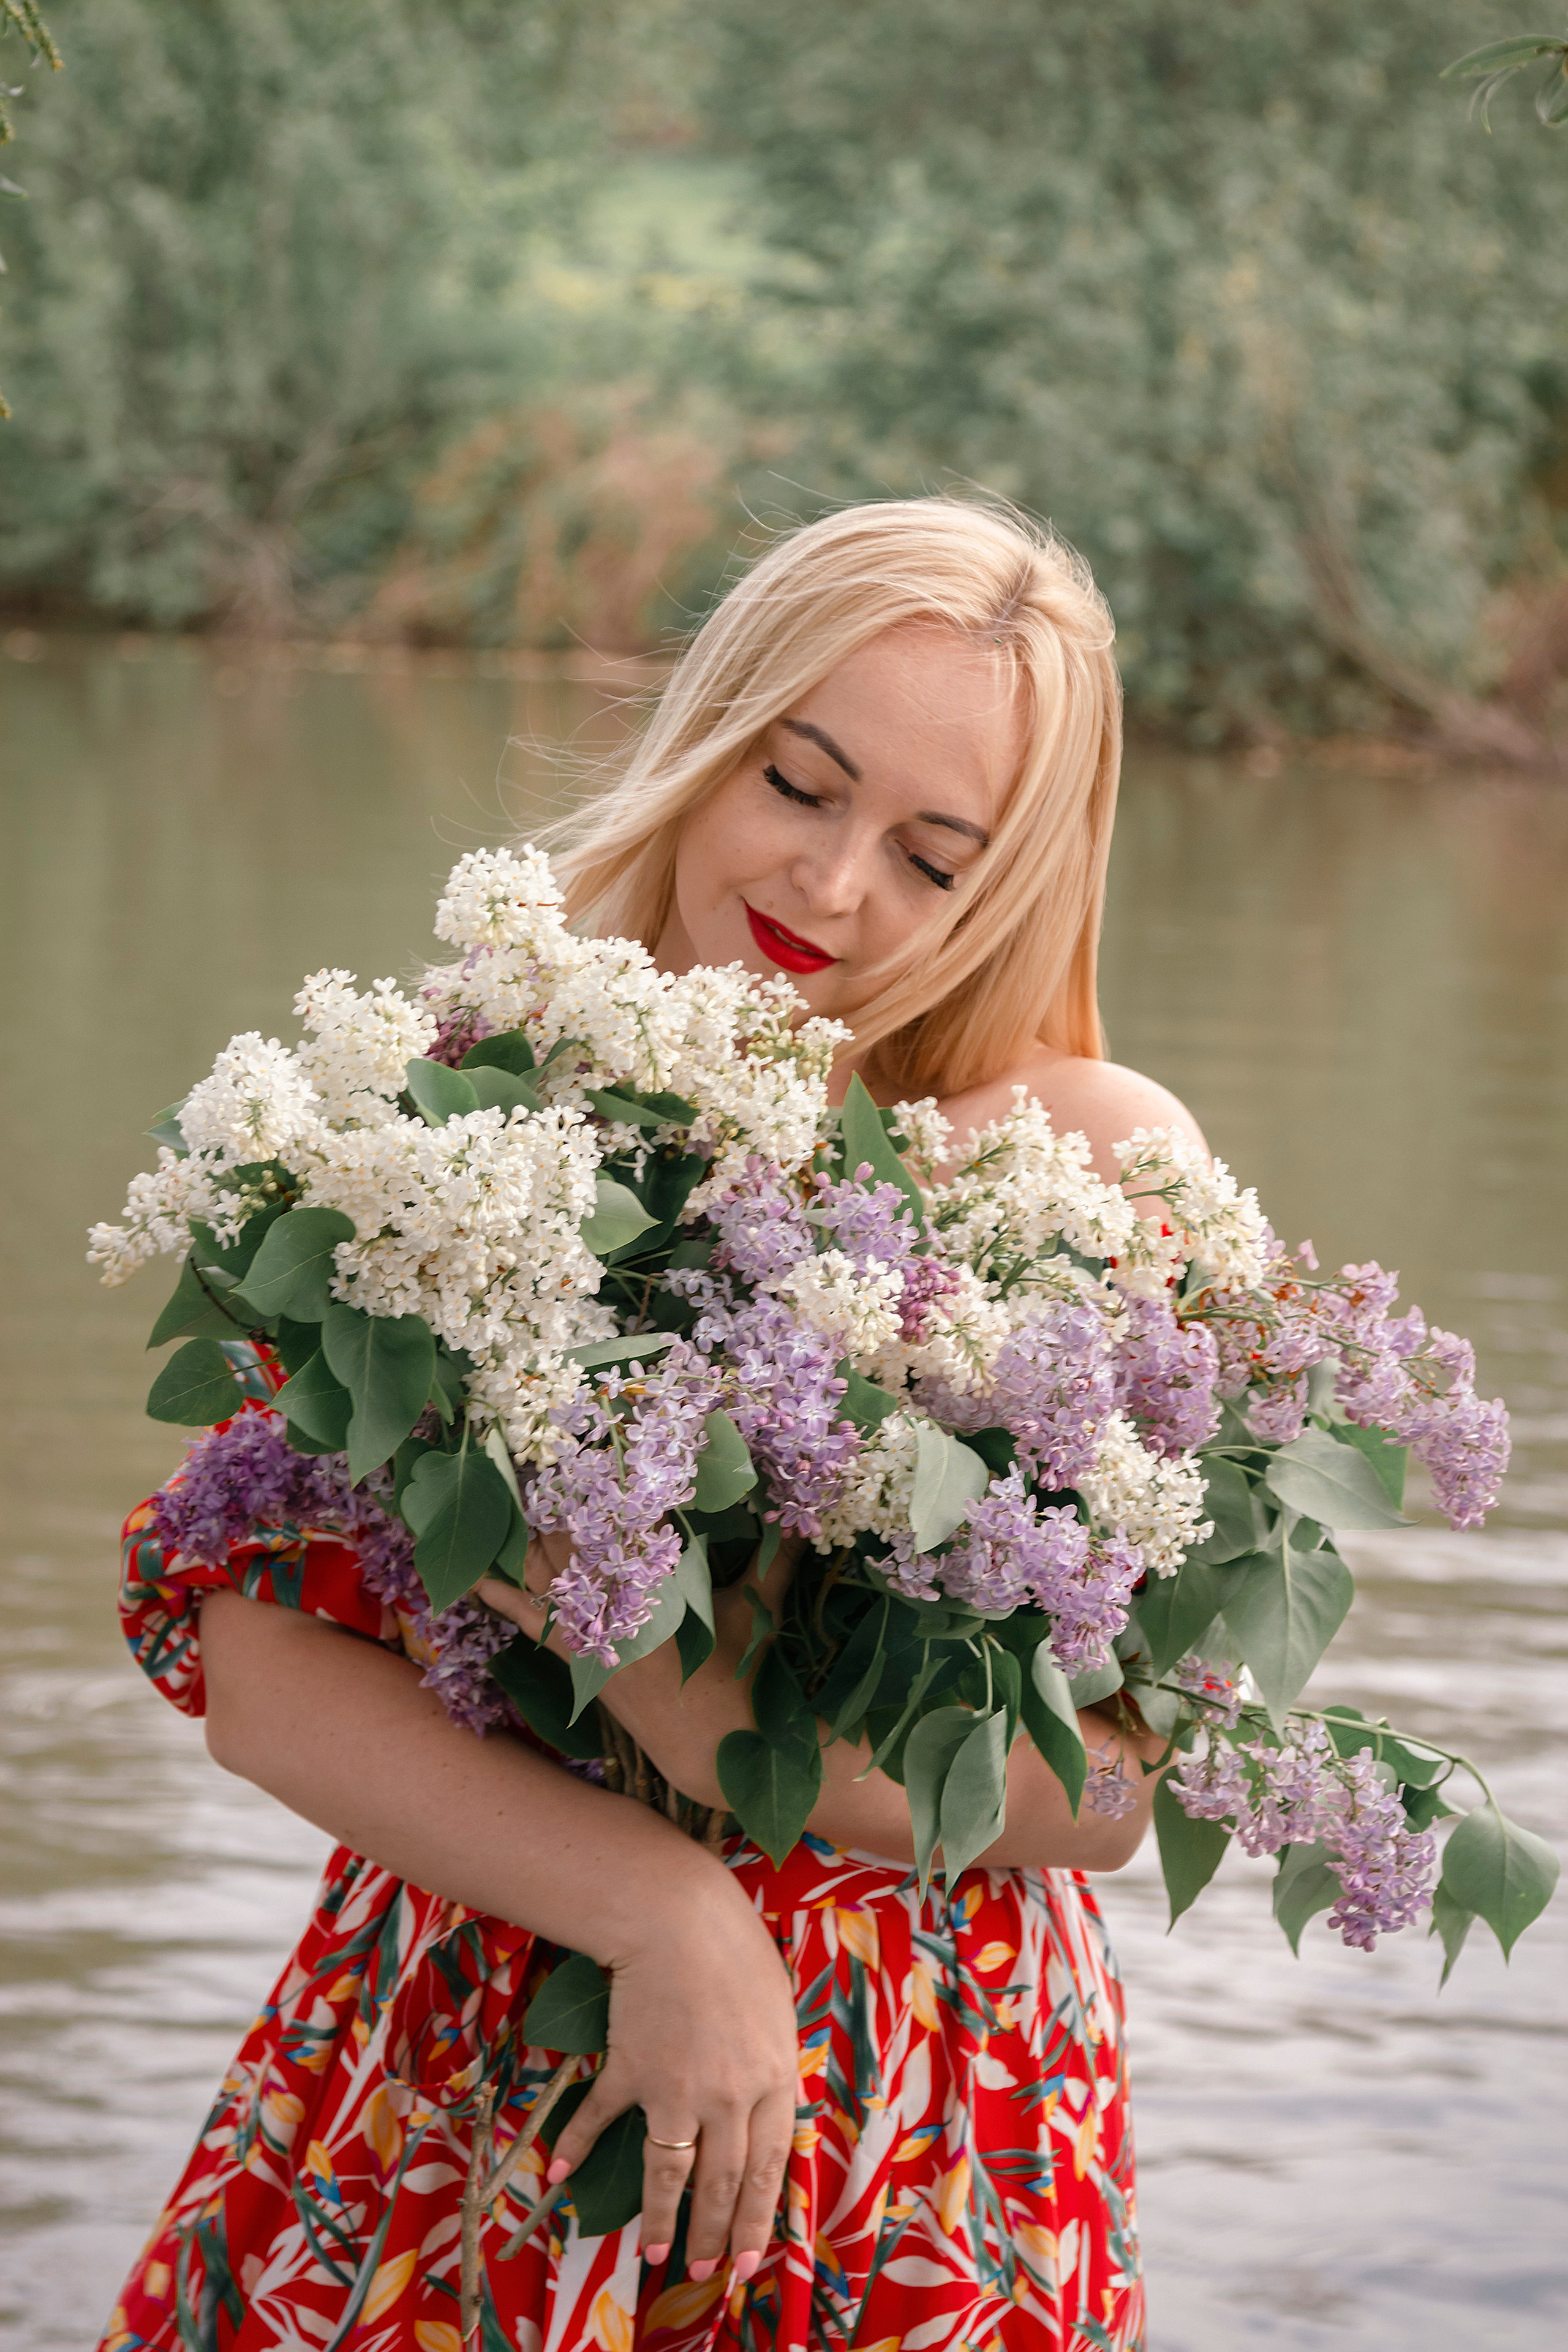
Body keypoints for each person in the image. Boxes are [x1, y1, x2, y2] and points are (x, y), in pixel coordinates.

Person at [104, 498, 1206, 2352]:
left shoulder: (1082, 1165)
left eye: (935, 859)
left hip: (918, 2127)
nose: (833, 887)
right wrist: (661, 1907)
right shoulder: (470, 1102)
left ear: (1013, 887)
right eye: (799, 780)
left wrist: (697, 1719)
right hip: (466, 2062)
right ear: (713, 735)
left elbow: (1129, 1785)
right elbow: (260, 1659)